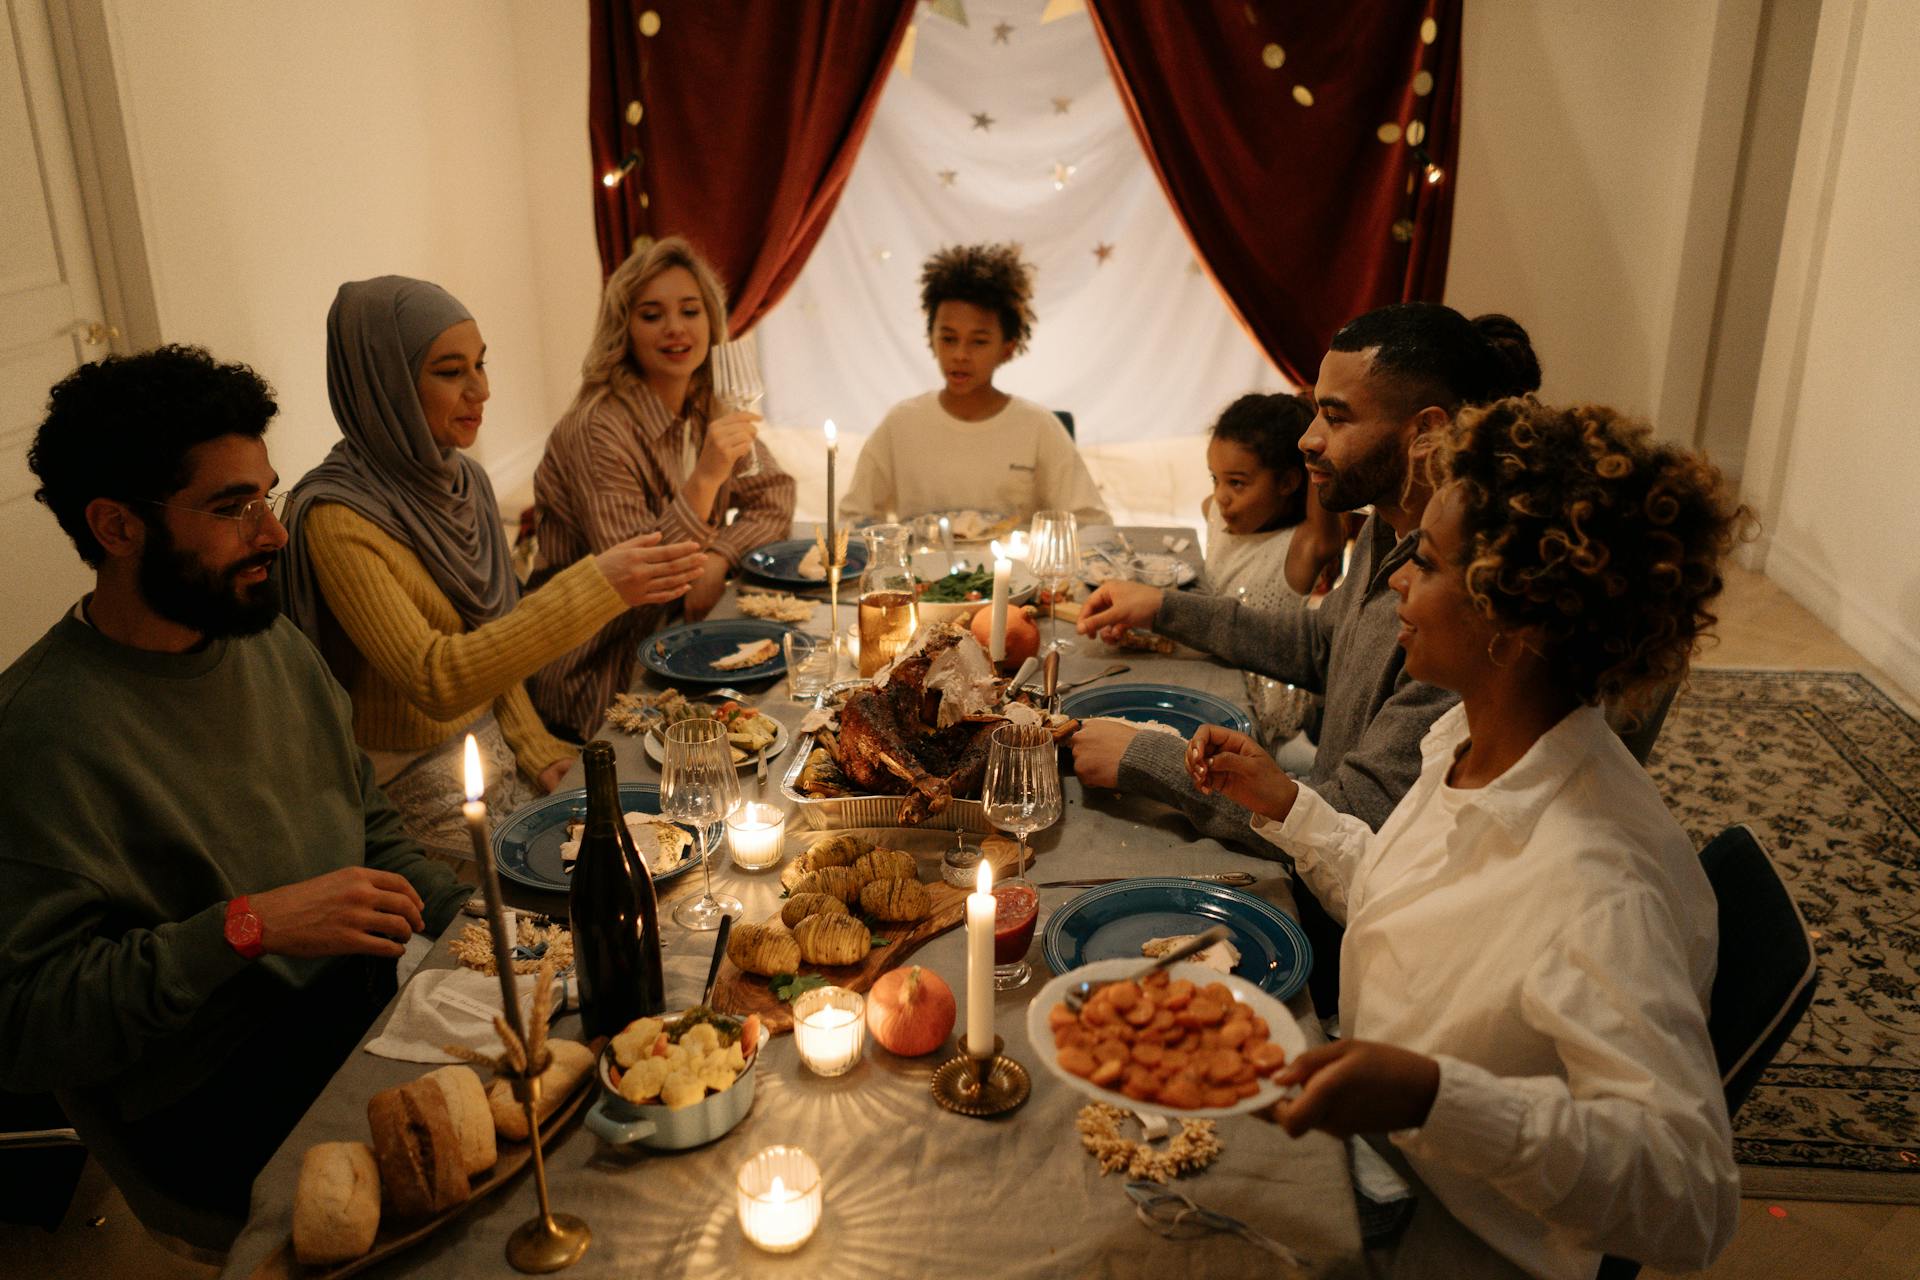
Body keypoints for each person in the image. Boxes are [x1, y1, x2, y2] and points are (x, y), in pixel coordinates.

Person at [1185, 398, 1744, 1278]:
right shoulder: (1472, 742)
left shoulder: (1598, 884)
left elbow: (1692, 1197)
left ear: (1515, 623)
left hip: (1459, 1235)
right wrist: (1289, 803)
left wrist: (1434, 1095)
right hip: (1388, 1150)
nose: (1397, 580)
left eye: (1429, 563)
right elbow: (1419, 904)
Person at [0, 346, 474, 1236]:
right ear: (116, 527)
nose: (274, 532)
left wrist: (487, 927)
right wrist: (245, 928)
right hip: (219, 1100)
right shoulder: (39, 735)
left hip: (361, 1016)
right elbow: (28, 1024)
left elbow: (371, 831)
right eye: (232, 507)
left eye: (267, 494)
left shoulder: (263, 640)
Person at [1074, 304, 1539, 1009]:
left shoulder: (1459, 609)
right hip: (1320, 849)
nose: (1308, 441)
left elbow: (1350, 819)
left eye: (1337, 417)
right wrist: (1164, 606)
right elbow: (1322, 646)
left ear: (1426, 433)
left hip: (1347, 925)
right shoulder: (1388, 527)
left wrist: (1146, 758)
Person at [281, 277, 706, 859]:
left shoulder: (463, 481)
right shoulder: (337, 517)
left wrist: (538, 752)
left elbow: (495, 641)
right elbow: (437, 679)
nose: (481, 390)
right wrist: (596, 585)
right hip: (405, 780)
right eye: (450, 372)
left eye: (480, 365)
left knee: (669, 832)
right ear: (385, 384)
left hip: (497, 744)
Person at [531, 236, 796, 741]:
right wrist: (706, 478)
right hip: (603, 671)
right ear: (624, 330)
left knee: (796, 696)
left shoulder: (706, 403)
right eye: (652, 315)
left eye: (689, 311)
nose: (675, 328)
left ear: (710, 321)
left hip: (683, 639)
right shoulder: (596, 428)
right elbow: (640, 580)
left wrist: (718, 557)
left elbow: (775, 494)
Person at [839, 242, 1108, 525]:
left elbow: (1091, 522)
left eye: (979, 342)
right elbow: (855, 517)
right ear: (931, 337)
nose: (960, 355)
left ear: (1007, 347)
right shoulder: (902, 423)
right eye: (949, 338)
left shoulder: (1037, 427)